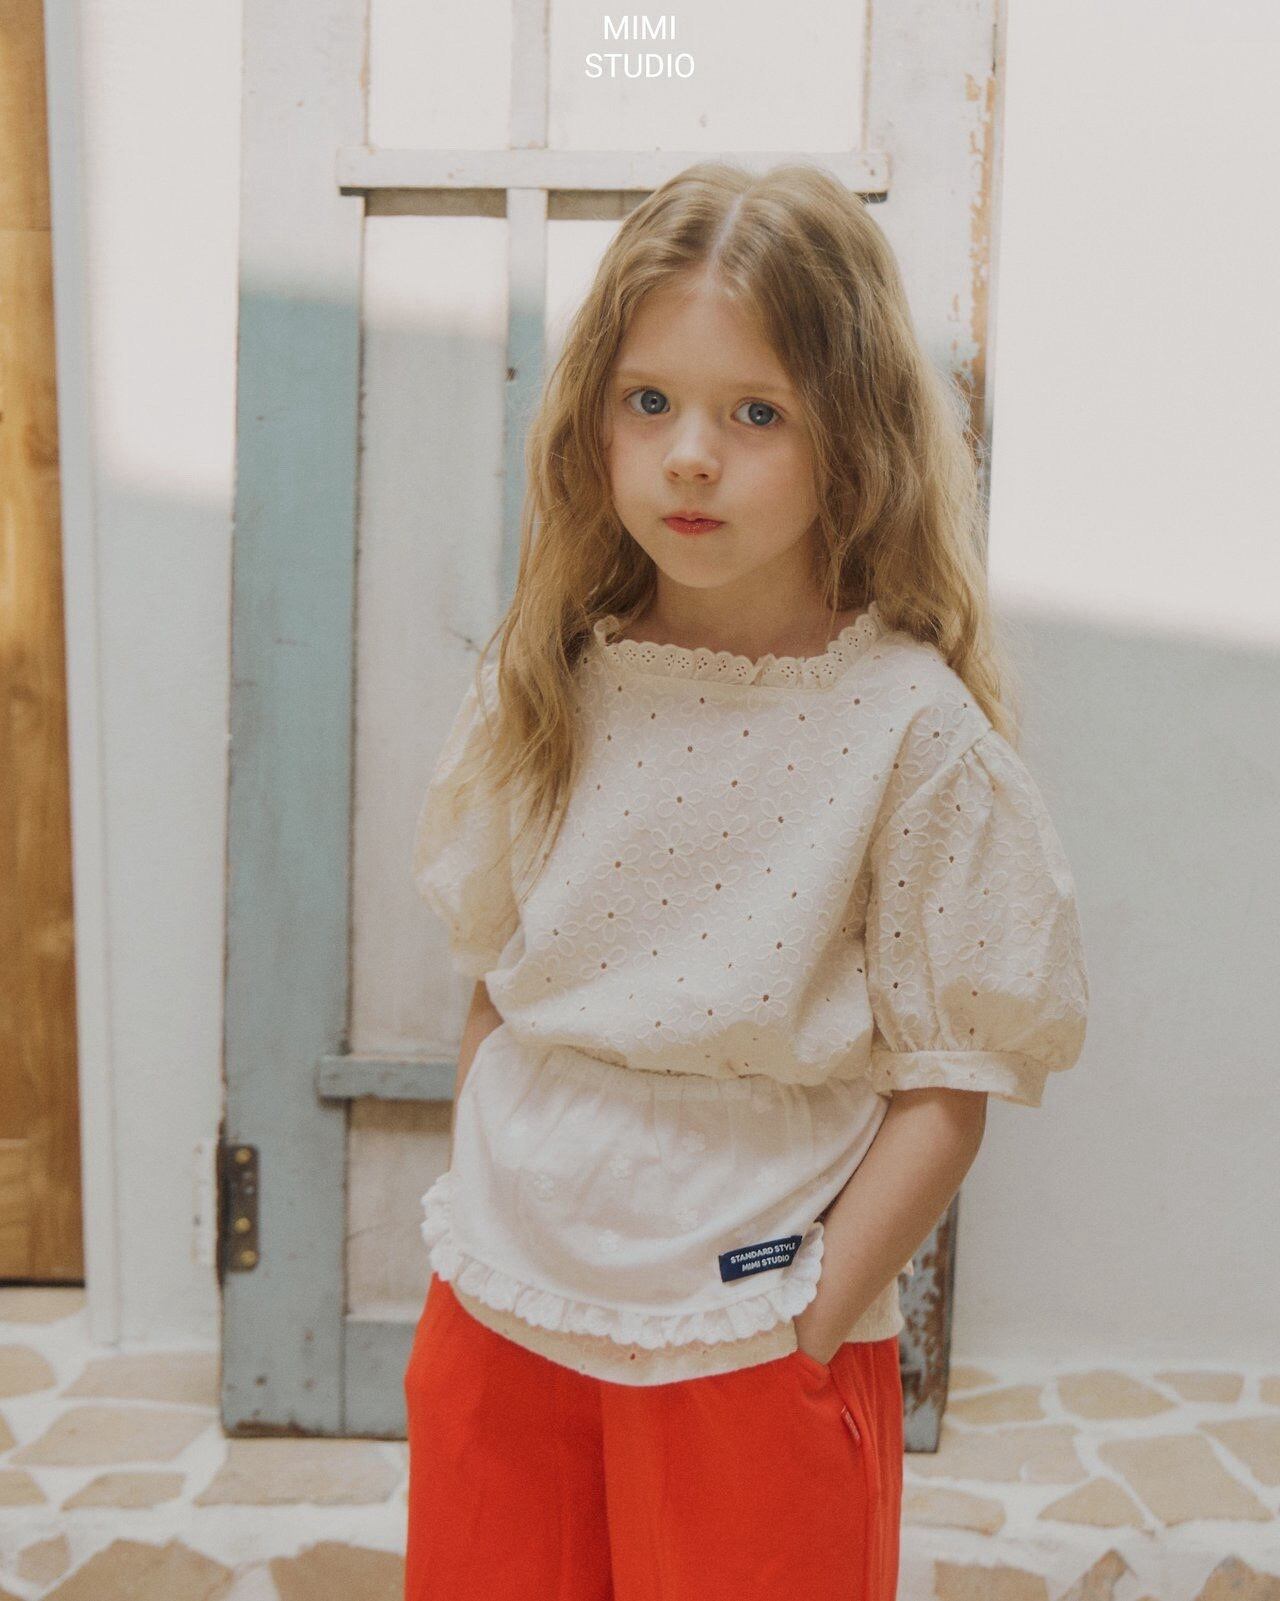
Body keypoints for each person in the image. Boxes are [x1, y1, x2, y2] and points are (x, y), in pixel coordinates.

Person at [401, 160, 1089, 1601]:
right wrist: (481, 1194)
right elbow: (501, 980)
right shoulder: (550, 676)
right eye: (649, 401)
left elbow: (949, 1079)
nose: (691, 457)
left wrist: (808, 1317)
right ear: (592, 418)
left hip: (746, 1336)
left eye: (756, 413)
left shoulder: (907, 729)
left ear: (855, 435)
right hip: (503, 1309)